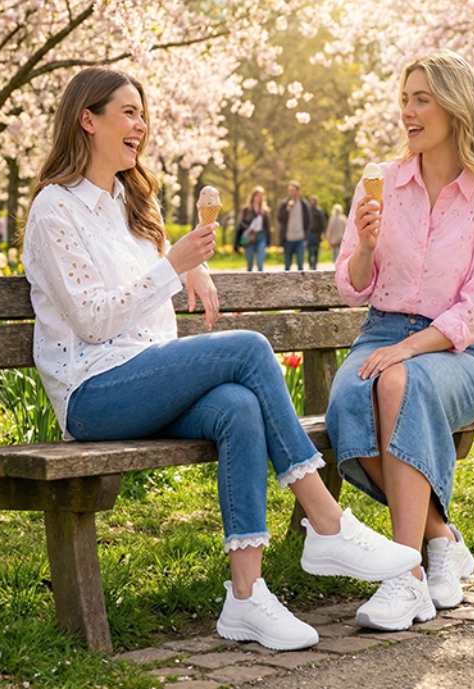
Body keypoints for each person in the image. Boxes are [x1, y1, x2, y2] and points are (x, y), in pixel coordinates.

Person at [21, 67, 421, 652]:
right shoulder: (54, 210)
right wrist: (174, 266)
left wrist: (189, 263)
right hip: (94, 394)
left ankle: (246, 598)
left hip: (146, 378)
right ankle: (326, 520)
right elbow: (92, 320)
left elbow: (154, 272)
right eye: (128, 112)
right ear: (88, 119)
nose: (141, 125)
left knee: (237, 406)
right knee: (249, 347)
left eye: (142, 114)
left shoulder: (130, 204)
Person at [325, 50, 474, 632]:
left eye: (421, 100)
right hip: (380, 331)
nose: (407, 112)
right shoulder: (381, 183)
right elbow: (352, 287)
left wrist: (409, 349)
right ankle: (441, 540)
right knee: (346, 404)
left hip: (458, 352)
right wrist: (364, 247)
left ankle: (405, 577)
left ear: (456, 108)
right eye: (404, 100)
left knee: (397, 383)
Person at [234, 185, 271, 271]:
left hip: (261, 236)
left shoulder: (264, 211)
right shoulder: (246, 210)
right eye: (258, 196)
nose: (259, 198)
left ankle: (260, 278)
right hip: (250, 237)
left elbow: (267, 227)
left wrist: (268, 241)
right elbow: (241, 224)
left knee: (260, 263)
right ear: (253, 196)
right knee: (250, 262)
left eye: (261, 196)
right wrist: (249, 228)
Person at [278, 180, 310, 270]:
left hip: (300, 238)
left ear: (298, 191)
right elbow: (280, 219)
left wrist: (306, 236)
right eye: (289, 191)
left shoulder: (303, 204)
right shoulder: (284, 204)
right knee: (287, 266)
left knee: (300, 264)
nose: (291, 193)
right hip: (288, 239)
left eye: (293, 191)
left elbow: (308, 221)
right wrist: (287, 210)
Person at [307, 195, 326, 270]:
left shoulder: (319, 211)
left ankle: (315, 265)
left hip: (316, 234)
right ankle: (310, 264)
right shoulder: (308, 210)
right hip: (309, 233)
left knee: (316, 250)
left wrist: (321, 233)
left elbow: (322, 223)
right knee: (309, 250)